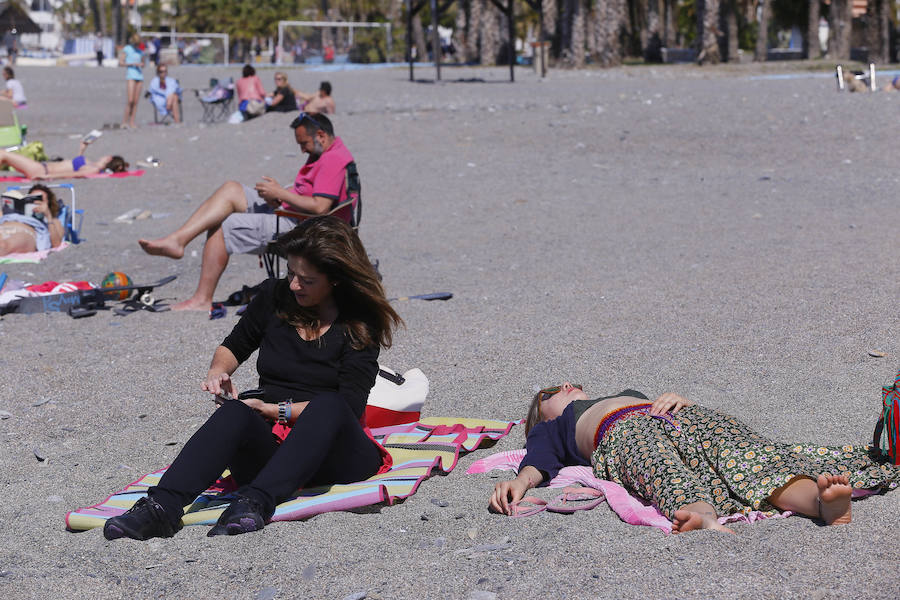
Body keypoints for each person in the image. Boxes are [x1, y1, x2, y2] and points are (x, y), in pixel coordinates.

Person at [104, 217, 402, 540]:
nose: (293, 285)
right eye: (290, 274)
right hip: (274, 448)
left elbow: (349, 406)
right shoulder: (275, 298)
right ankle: (162, 507)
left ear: (336, 281)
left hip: (336, 452)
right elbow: (234, 345)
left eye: (307, 280)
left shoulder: (359, 324)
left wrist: (275, 411)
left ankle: (256, 502)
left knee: (327, 405)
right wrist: (218, 373)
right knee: (235, 412)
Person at [490, 382, 899, 533]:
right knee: (657, 466)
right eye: (546, 395)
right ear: (541, 414)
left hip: (683, 417)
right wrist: (521, 482)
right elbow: (538, 460)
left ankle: (820, 502)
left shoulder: (626, 391)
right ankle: (699, 510)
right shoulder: (554, 426)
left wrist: (681, 399)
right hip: (620, 431)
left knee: (749, 455)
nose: (562, 388)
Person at [139, 112, 356, 311]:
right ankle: (178, 240)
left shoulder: (332, 159)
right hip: (295, 213)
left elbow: (321, 207)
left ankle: (202, 299)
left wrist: (281, 192)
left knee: (226, 225)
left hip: (306, 226)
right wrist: (278, 195)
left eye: (304, 143)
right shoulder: (329, 152)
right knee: (231, 189)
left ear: (321, 135)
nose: (302, 150)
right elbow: (311, 193)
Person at [0, 138, 128, 180]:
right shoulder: (92, 165)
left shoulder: (94, 169)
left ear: (109, 158)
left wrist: (48, 177)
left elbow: (74, 174)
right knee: (5, 158)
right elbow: (75, 164)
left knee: (4, 154)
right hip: (41, 168)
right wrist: (82, 148)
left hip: (41, 171)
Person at [0, 185, 64, 255]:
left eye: (40, 200)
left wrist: (48, 215)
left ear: (48, 204)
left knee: (3, 245)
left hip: (24, 232)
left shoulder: (53, 221)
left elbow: (56, 245)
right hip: (4, 227)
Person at [119, 34, 145, 128]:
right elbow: (121, 62)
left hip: (139, 76)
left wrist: (141, 64)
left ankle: (132, 121)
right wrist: (131, 64)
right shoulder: (127, 49)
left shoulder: (141, 51)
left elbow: (143, 63)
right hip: (131, 75)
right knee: (130, 100)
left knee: (135, 101)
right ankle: (124, 121)